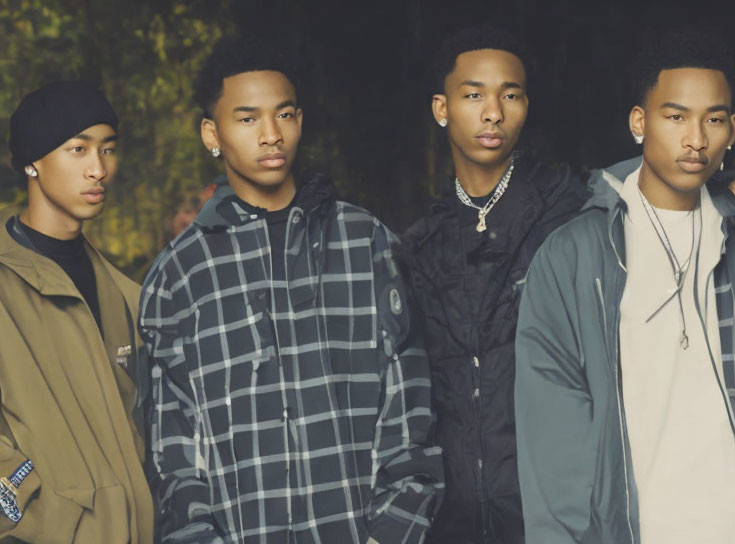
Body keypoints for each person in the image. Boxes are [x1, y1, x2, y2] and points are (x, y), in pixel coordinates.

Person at [404, 25, 735, 543]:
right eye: (473, 96)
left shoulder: (570, 208)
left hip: (557, 507)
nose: (493, 112)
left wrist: (718, 181)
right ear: (442, 109)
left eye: (509, 95)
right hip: (455, 519)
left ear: (526, 105)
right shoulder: (418, 245)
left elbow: (647, 187)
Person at [514, 27, 735, 543]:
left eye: (713, 119)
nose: (696, 139)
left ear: (732, 128)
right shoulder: (572, 257)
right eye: (675, 117)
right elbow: (553, 439)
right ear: (639, 121)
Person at [140, 37, 443, 543]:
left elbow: (409, 416)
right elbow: (174, 457)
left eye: (284, 114)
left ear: (300, 120)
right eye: (247, 118)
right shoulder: (179, 275)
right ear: (212, 134)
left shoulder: (365, 242)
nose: (270, 135)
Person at [0, 81, 154, 542]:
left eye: (107, 150)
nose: (98, 169)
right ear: (32, 161)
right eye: (77, 149)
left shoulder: (129, 297)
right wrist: (30, 511)